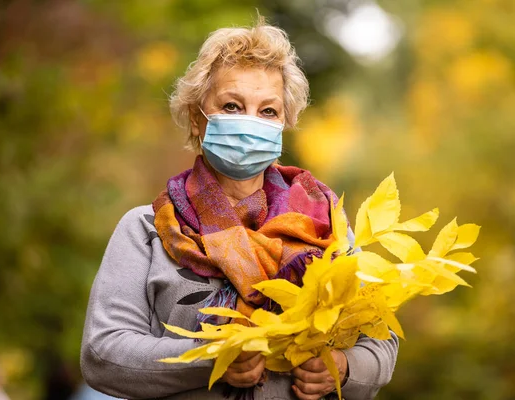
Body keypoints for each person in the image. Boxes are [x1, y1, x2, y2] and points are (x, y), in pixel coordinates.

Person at [81, 17, 398, 400]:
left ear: (284, 123)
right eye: (232, 106)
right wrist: (211, 359)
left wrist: (343, 369)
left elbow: (380, 340)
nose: (250, 123)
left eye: (268, 111)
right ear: (198, 118)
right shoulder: (146, 230)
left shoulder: (326, 227)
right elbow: (103, 354)